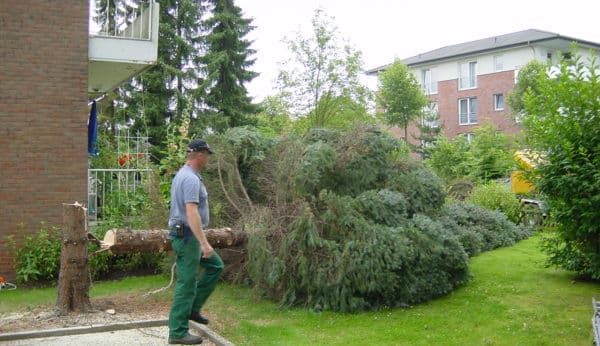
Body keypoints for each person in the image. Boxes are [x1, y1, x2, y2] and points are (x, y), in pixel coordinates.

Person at [167, 138, 224, 345]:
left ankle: (193, 309)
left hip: (187, 236)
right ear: (199, 154)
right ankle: (177, 332)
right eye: (207, 154)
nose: (208, 158)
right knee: (187, 283)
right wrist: (204, 243)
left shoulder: (185, 175)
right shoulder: (190, 178)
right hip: (188, 237)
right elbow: (191, 212)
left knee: (215, 266)